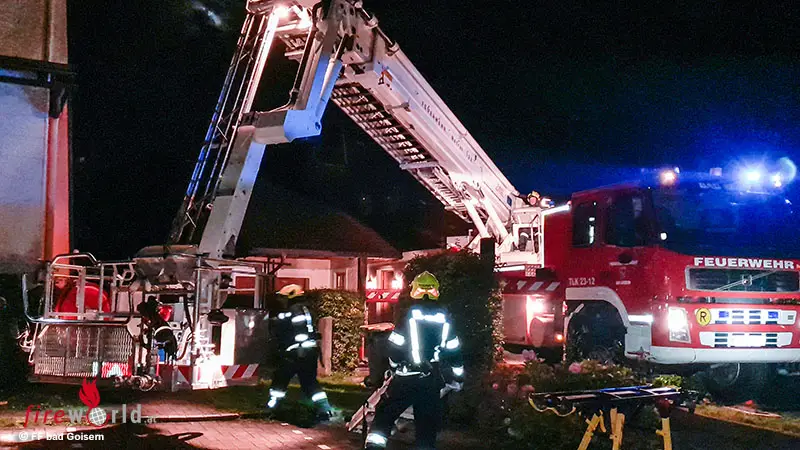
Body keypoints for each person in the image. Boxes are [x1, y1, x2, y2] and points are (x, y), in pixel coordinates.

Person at [365, 272, 464, 450]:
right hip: (431, 380)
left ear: (415, 291)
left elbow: (394, 348)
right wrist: (457, 378)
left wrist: (393, 368)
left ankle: (374, 446)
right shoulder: (445, 320)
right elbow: (454, 351)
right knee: (426, 426)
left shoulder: (408, 316)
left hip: (406, 378)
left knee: (385, 415)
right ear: (435, 291)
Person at [265, 284, 333, 421]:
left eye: (283, 298)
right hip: (309, 352)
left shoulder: (293, 311)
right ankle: (324, 409)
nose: (281, 301)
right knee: (310, 383)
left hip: (296, 353)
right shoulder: (306, 309)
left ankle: (273, 407)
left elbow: (290, 331)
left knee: (280, 380)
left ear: (291, 297)